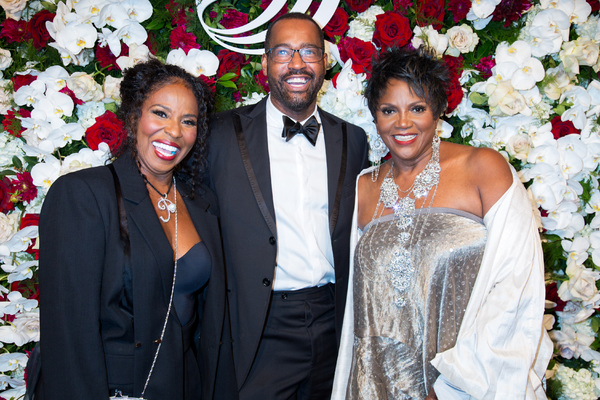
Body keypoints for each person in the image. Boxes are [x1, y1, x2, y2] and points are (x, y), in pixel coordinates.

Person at [331, 47, 553, 400]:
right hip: (375, 384)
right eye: (389, 110)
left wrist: (453, 384)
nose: (403, 123)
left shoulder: (483, 169)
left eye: (417, 108)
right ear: (375, 117)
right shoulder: (363, 187)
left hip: (465, 384)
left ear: (437, 111)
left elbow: (516, 285)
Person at [36, 59, 229, 399]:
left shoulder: (202, 202)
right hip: (117, 388)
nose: (173, 131)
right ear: (133, 116)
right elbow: (69, 334)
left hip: (186, 386)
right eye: (160, 113)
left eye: (188, 121)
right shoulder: (83, 194)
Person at [208, 12, 369, 400]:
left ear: (325, 61)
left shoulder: (353, 139)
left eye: (308, 52)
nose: (297, 63)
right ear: (264, 63)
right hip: (258, 325)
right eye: (283, 52)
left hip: (334, 320)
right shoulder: (219, 135)